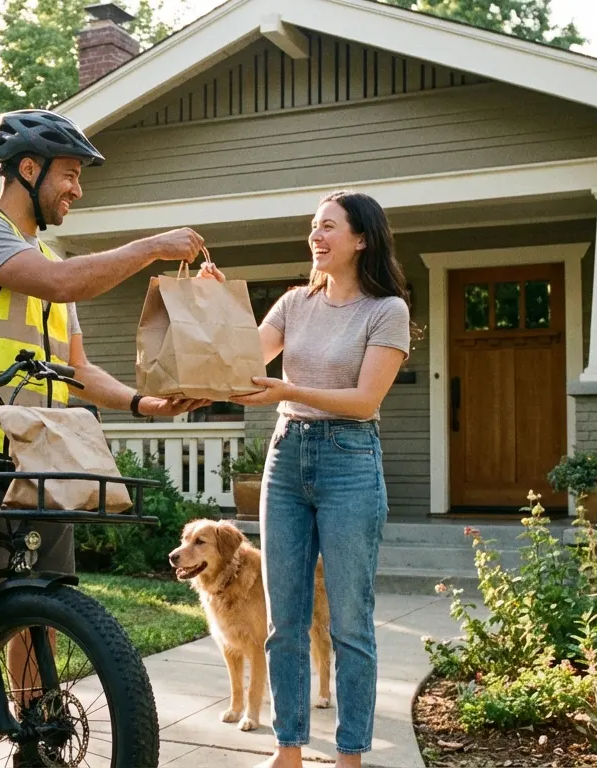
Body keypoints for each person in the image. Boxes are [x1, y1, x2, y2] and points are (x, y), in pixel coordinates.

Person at [0, 108, 210, 768]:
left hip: (40, 459)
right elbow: (63, 282)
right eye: (70, 175)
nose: (77, 190)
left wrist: (146, 402)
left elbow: (77, 368)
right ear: (30, 169)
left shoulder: (49, 257)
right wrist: (153, 246)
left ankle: (33, 746)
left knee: (35, 608)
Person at [203, 190, 411, 768]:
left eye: (329, 228)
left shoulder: (386, 311)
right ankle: (288, 748)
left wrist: (290, 390)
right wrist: (215, 304)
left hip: (349, 461)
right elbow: (244, 361)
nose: (316, 237)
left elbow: (365, 400)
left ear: (362, 239)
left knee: (348, 621)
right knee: (285, 619)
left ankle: (349, 756)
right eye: (313, 228)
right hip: (287, 458)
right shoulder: (295, 304)